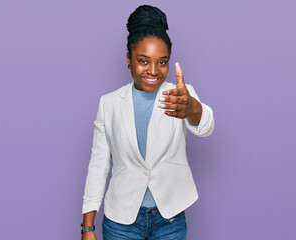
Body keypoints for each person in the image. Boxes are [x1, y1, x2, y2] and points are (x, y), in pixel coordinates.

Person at [81, 5, 215, 240]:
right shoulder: (109, 104)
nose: (153, 71)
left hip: (170, 221)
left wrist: (193, 109)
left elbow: (206, 126)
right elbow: (98, 166)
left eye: (162, 62)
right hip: (121, 223)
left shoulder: (180, 96)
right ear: (129, 59)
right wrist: (87, 227)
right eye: (143, 61)